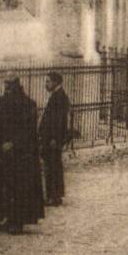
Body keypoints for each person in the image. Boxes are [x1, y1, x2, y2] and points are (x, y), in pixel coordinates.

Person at [0, 76, 45, 233]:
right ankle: (8, 219)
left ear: (15, 86)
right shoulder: (3, 102)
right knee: (7, 187)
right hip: (8, 152)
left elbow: (27, 129)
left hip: (23, 153)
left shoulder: (27, 104)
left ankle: (17, 222)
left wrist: (12, 143)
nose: (6, 88)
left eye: (8, 85)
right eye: (5, 85)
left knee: (21, 188)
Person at [38, 70, 71, 206]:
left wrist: (54, 139)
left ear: (55, 82)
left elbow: (58, 121)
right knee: (52, 166)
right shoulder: (56, 95)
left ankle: (54, 196)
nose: (46, 84)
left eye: (48, 81)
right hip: (51, 138)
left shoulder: (59, 97)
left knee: (52, 167)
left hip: (52, 139)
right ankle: (54, 195)